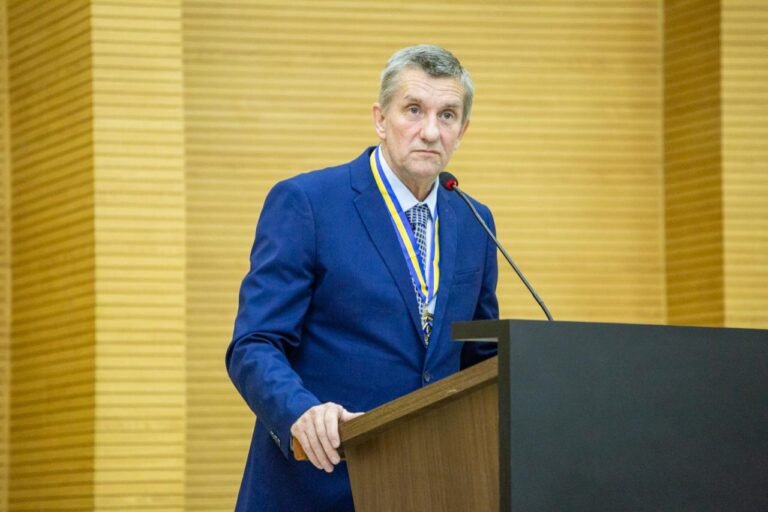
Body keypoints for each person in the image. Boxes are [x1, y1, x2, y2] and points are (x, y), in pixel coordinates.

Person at [226, 44, 499, 512]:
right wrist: (300, 411)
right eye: (413, 110)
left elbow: (479, 358)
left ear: (463, 130)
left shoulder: (476, 220)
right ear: (380, 119)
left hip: (430, 488)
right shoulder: (308, 203)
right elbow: (254, 343)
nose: (430, 131)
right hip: (318, 482)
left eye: (447, 115)